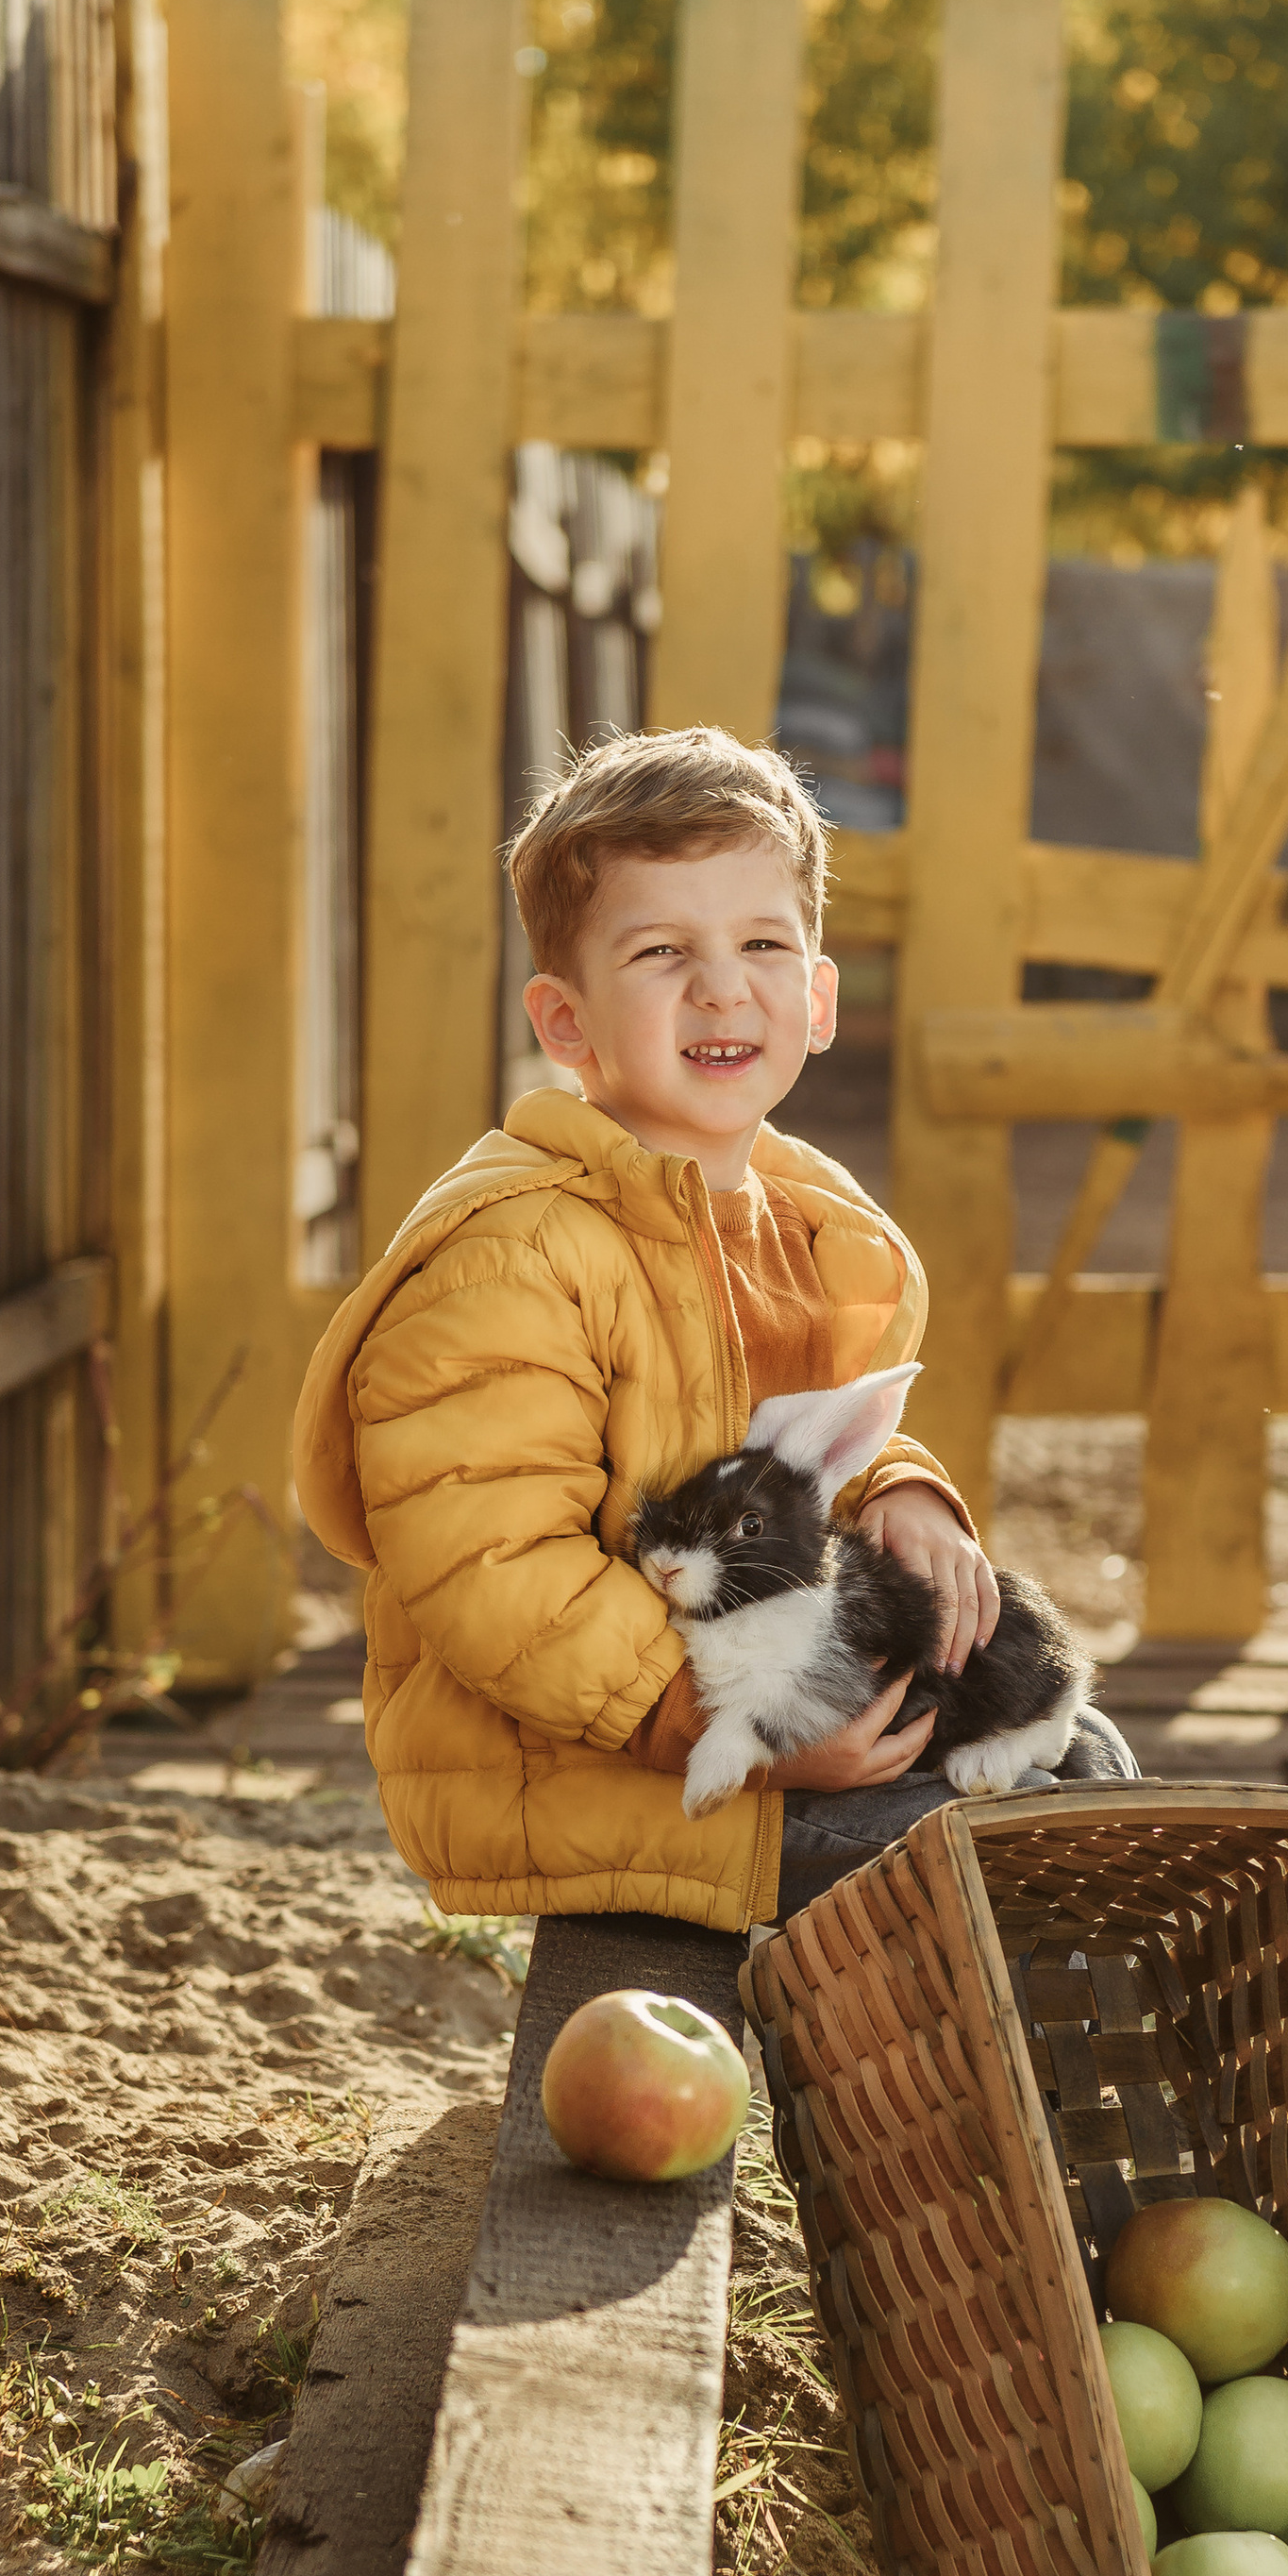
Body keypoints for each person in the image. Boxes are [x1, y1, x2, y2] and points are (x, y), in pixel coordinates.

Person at [292, 725, 1136, 2067]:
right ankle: (966, 2152)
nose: (719, 991)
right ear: (565, 1021)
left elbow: (768, 1455)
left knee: (1086, 1760)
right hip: (607, 1774)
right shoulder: (515, 1258)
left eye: (759, 948)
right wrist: (746, 1736)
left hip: (756, 1715)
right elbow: (493, 1571)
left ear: (818, 997)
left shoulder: (794, 1224)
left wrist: (901, 1490)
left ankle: (1075, 2144)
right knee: (969, 1852)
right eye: (660, 954)